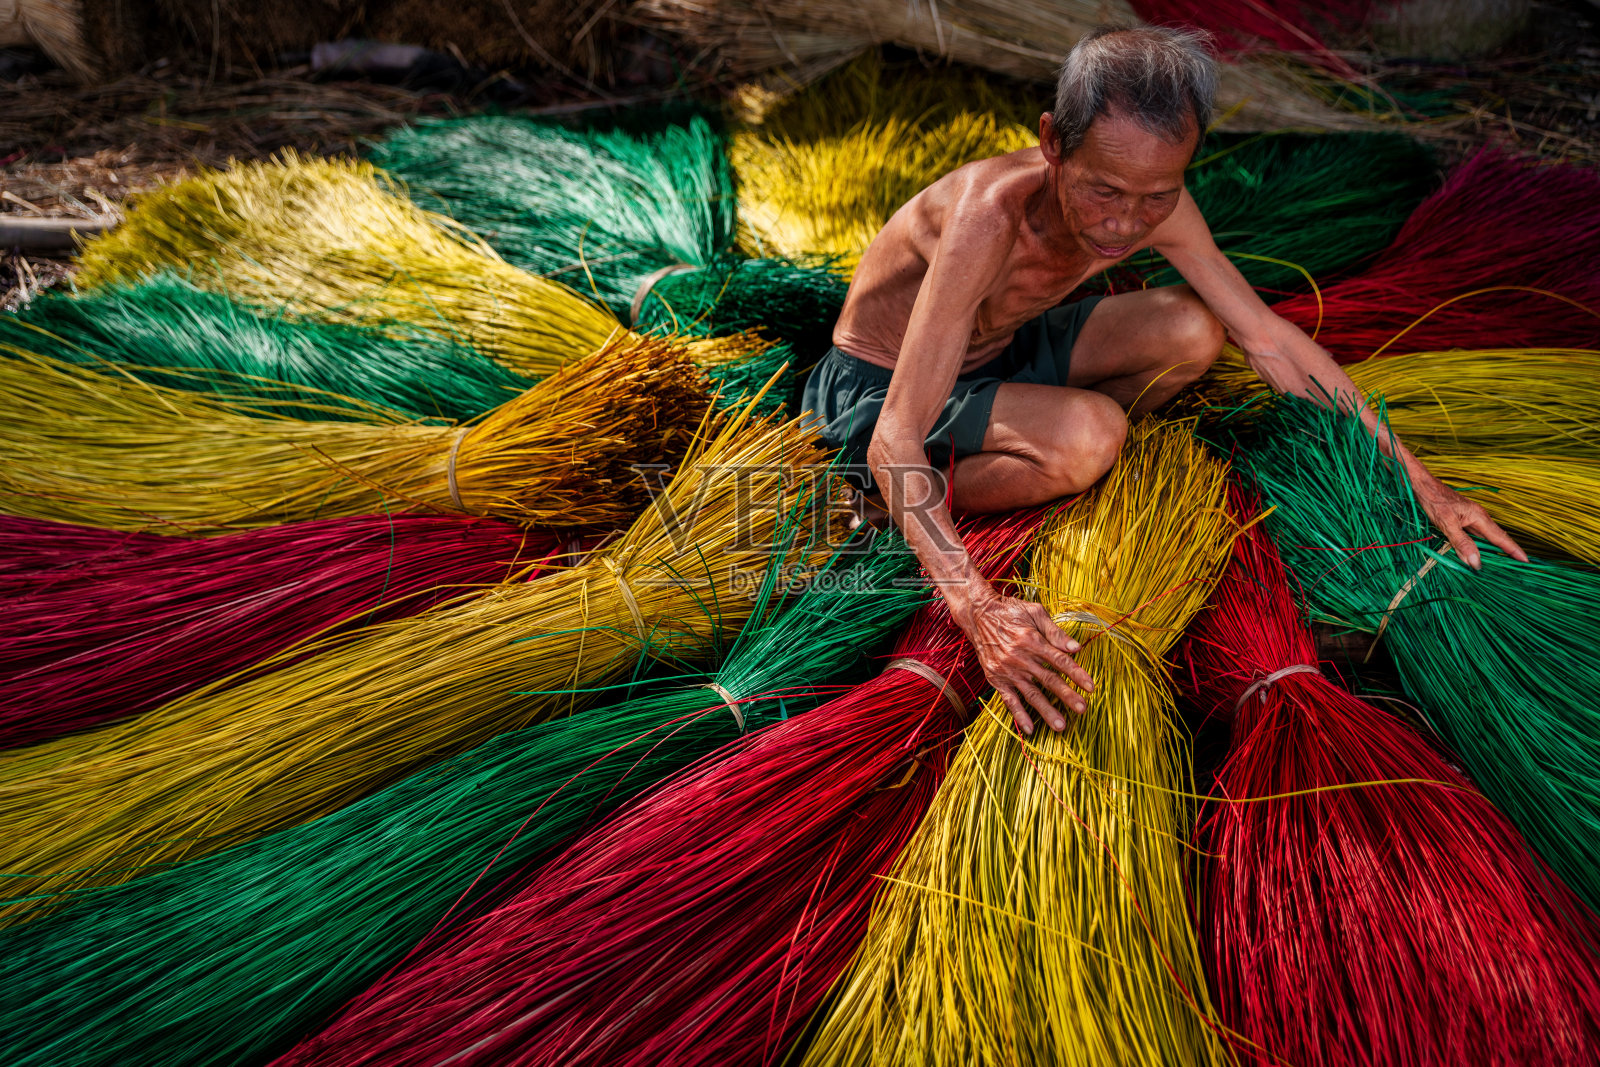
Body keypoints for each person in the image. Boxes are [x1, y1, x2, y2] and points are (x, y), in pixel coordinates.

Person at [801, 24, 1527, 737]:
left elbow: (1264, 337)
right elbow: (896, 428)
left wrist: (1423, 483)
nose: (1125, 224)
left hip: (1000, 351)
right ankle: (882, 497)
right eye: (1104, 191)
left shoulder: (1151, 197)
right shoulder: (989, 221)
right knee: (1091, 438)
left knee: (1194, 329)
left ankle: (1038, 442)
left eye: (1156, 195)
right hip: (879, 391)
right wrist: (976, 606)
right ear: (1053, 142)